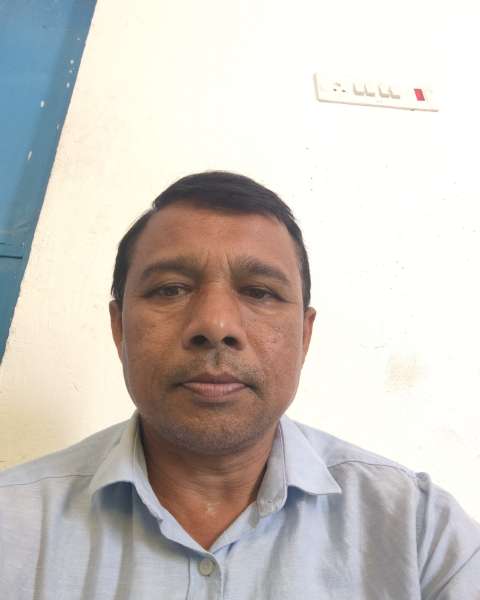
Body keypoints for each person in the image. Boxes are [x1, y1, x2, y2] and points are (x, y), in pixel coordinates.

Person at [0, 171, 479, 600]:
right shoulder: (12, 524)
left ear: (304, 335)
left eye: (259, 292)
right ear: (119, 327)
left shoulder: (420, 533)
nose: (215, 325)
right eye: (170, 289)